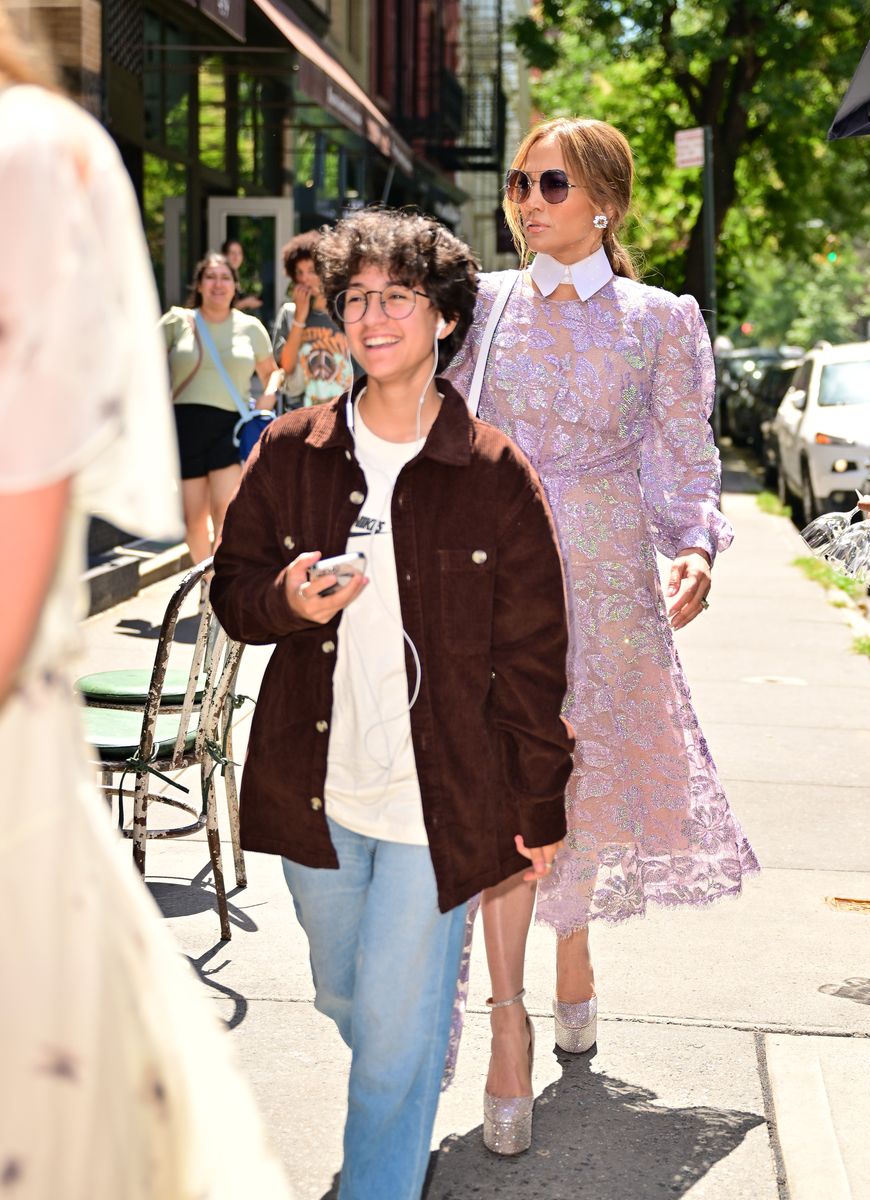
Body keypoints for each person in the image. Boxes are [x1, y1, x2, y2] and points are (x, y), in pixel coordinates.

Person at [210, 208, 574, 1198]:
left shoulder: (494, 472)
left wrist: (539, 801)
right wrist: (283, 596)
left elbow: (538, 656)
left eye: (396, 298)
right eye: (356, 298)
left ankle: (382, 1169)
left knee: (391, 1043)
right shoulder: (293, 450)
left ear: (444, 318)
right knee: (353, 999)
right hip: (315, 790)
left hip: (441, 801)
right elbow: (232, 591)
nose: (372, 317)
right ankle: (406, 1075)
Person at [0, 13, 292, 1195]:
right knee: (198, 524)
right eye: (214, 269)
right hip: (179, 428)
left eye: (224, 269)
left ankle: (215, 594)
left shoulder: (30, 157)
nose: (217, 276)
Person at [446, 116, 760, 1151]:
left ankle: (570, 943)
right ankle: (507, 1019)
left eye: (547, 184)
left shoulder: (660, 320)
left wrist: (697, 549)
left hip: (608, 586)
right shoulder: (480, 308)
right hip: (494, 579)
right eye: (518, 184)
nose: (525, 201)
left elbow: (682, 462)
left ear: (601, 203)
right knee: (498, 779)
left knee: (572, 779)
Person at [161, 252, 280, 564]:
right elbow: (143, 362)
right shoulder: (177, 322)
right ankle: (207, 579)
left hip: (231, 428)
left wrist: (268, 395)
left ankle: (215, 592)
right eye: (210, 277)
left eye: (225, 277)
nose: (218, 284)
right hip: (185, 427)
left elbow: (273, 372)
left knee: (224, 514)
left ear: (235, 285)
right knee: (192, 520)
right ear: (199, 284)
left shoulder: (250, 327)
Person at [271, 230, 355, 409]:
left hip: (343, 412)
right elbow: (286, 366)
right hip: (300, 411)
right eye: (299, 272)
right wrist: (300, 318)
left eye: (311, 271)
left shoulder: (347, 312)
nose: (304, 279)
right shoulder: (289, 313)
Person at [221, 237, 263, 312]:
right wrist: (246, 303)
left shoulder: (236, 276)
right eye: (232, 253)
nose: (236, 257)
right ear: (224, 255)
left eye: (239, 253)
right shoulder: (221, 277)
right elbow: (221, 308)